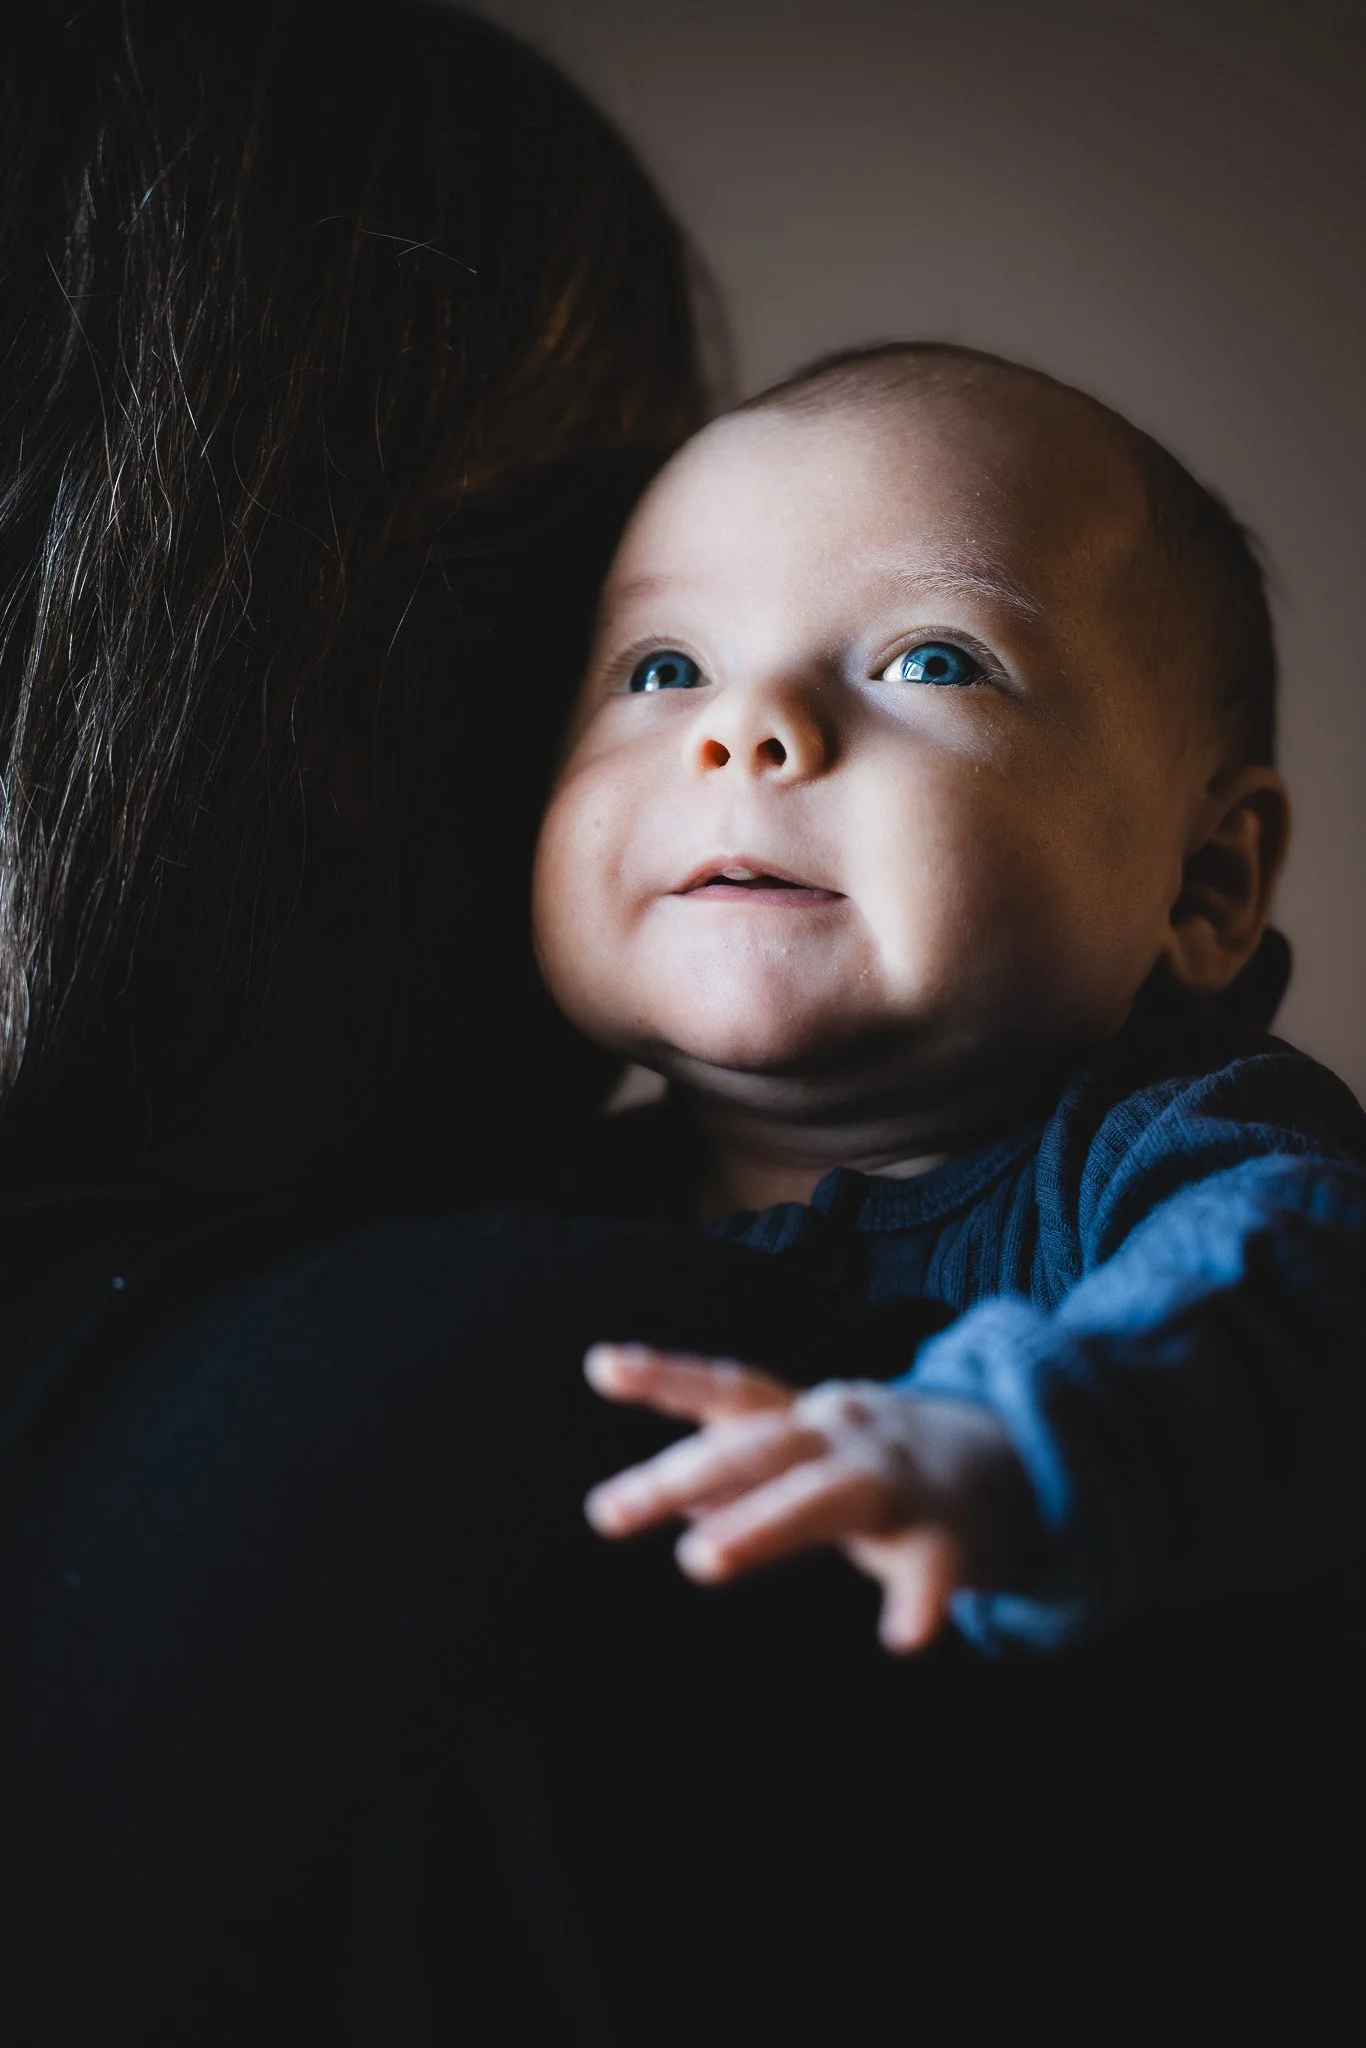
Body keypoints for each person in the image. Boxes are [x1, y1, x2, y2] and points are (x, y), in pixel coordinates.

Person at [531, 341, 1366, 1656]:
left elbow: (1305, 1305)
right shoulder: (509, 1202)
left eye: (927, 662)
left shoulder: (1166, 1154)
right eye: (661, 669)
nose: (743, 725)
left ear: (1202, 881)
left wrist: (1007, 1442)